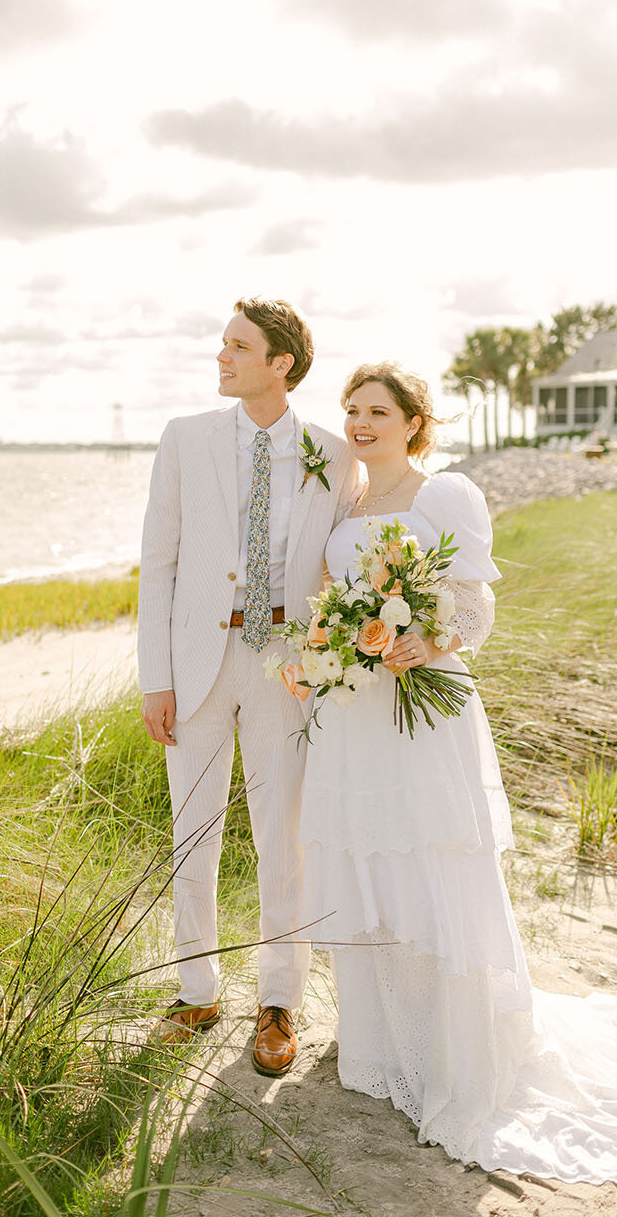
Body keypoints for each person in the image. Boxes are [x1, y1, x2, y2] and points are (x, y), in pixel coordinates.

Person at [297, 361, 617, 1183]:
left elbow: (475, 605)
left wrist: (426, 643)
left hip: (422, 706)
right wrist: (339, 645)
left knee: (431, 857)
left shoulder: (444, 496)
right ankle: (381, 1038)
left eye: (377, 410)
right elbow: (335, 595)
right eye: (351, 410)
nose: (359, 423)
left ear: (413, 420)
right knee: (367, 858)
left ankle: (452, 1045)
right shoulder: (347, 503)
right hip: (354, 710)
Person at [138, 297, 361, 1077]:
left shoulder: (334, 455)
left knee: (284, 842)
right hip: (196, 666)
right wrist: (154, 679)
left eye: (238, 347)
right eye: (222, 345)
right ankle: (196, 991)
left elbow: (345, 564)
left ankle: (277, 1002)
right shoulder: (184, 439)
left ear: (282, 364)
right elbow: (157, 566)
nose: (221, 357)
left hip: (286, 669)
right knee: (191, 834)